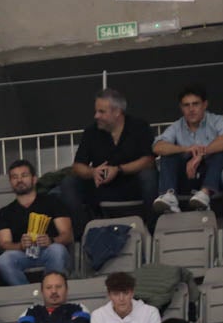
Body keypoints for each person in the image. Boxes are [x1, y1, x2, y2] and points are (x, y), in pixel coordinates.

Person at [59, 89, 158, 231]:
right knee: (68, 183)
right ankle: (84, 233)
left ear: (117, 112)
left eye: (101, 112)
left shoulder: (139, 126)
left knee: (149, 176)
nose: (96, 116)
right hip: (101, 186)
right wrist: (93, 172)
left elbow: (149, 161)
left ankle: (153, 228)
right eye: (96, 111)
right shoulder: (91, 132)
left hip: (133, 185)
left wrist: (118, 170)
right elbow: (78, 166)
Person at [153, 84, 223, 213]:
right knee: (169, 153)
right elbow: (158, 147)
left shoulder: (217, 120)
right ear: (181, 108)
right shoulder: (176, 126)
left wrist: (201, 154)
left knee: (221, 151)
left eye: (195, 104)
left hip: (213, 176)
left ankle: (205, 193)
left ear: (205, 104)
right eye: (186, 105)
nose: (191, 109)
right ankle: (169, 196)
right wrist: (186, 149)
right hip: (188, 176)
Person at [0, 159, 74, 287]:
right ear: (10, 182)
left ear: (34, 179)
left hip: (48, 250)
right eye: (14, 177)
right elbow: (4, 244)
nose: (19, 180)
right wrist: (20, 245)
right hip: (22, 254)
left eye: (24, 175)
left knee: (57, 250)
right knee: (4, 260)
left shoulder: (53, 202)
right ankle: (26, 293)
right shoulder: (5, 212)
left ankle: (50, 289)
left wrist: (51, 240)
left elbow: (67, 235)